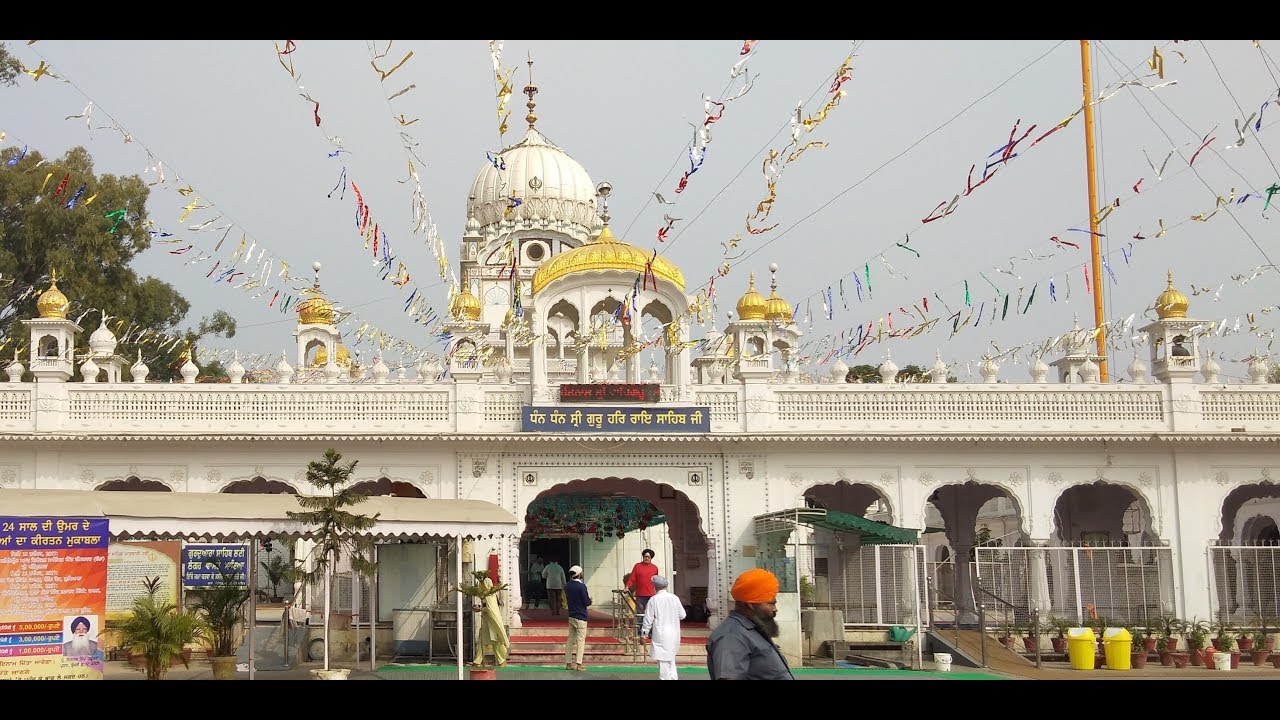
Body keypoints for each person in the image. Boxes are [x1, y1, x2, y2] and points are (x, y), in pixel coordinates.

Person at [706, 568, 794, 680]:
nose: (775, 609)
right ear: (751, 605)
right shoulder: (731, 636)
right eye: (771, 604)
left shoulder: (753, 630)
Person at [640, 574, 686, 680]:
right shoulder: (674, 598)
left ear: (654, 586)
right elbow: (683, 615)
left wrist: (644, 634)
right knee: (671, 659)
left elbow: (648, 619)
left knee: (663, 663)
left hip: (661, 634)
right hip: (674, 634)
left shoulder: (654, 600)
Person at [472, 577, 510, 667]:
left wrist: (481, 609)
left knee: (491, 642)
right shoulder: (487, 595)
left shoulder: (490, 595)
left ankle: (499, 660)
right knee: (488, 642)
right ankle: (499, 661)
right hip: (487, 622)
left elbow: (490, 609)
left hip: (491, 624)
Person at [564, 564, 592, 671]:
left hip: (571, 615)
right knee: (580, 641)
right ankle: (579, 664)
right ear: (579, 574)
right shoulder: (582, 586)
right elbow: (586, 602)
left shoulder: (567, 586)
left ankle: (568, 663)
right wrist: (590, 600)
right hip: (581, 616)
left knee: (570, 640)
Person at [625, 549, 661, 616]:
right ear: (643, 557)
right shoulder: (637, 566)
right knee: (640, 613)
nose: (646, 558)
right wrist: (627, 587)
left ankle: (650, 626)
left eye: (648, 557)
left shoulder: (654, 568)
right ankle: (639, 626)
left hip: (651, 595)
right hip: (640, 595)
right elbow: (632, 579)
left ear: (651, 558)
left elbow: (656, 581)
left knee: (650, 613)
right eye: (645, 556)